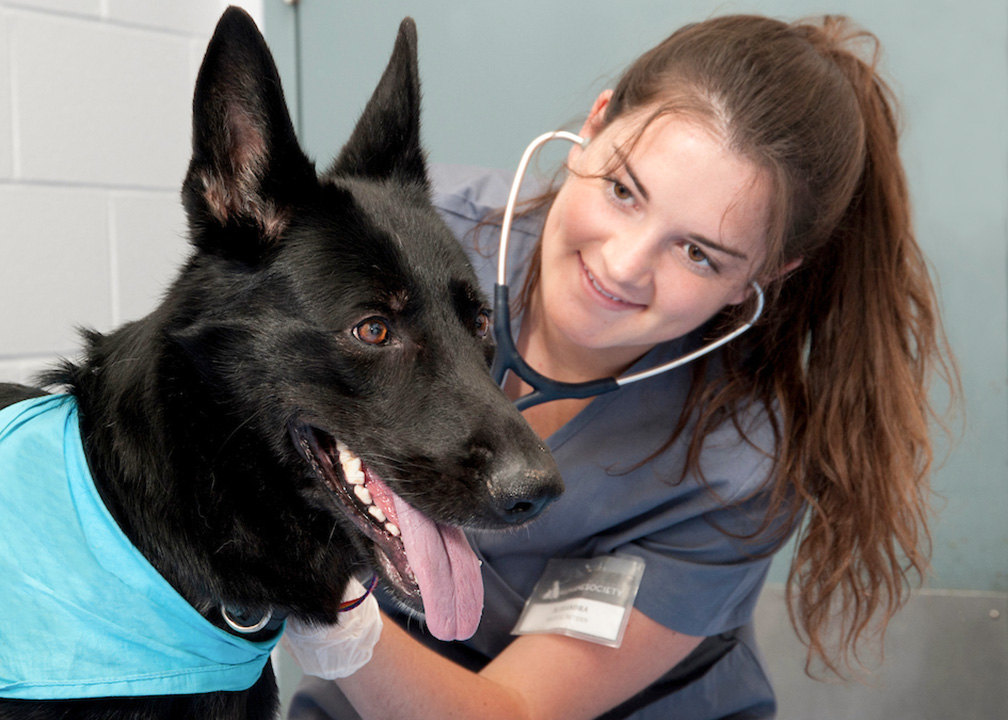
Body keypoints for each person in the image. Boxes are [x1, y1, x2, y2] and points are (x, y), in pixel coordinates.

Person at [283, 13, 957, 720]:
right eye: (624, 191)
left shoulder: (736, 463)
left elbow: (515, 711)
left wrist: (335, 622)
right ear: (597, 125)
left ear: (762, 276)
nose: (623, 265)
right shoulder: (415, 239)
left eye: (699, 253)